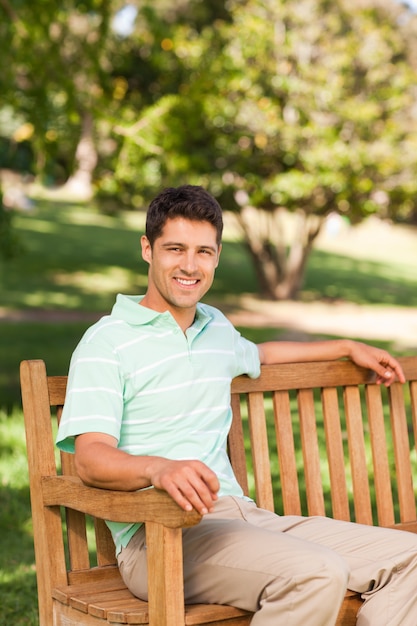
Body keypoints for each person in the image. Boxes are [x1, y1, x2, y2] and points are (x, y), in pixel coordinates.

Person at [56, 184, 417, 626]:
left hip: (245, 518)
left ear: (217, 256)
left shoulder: (215, 328)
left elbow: (263, 354)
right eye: (175, 249)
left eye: (203, 252)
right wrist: (158, 469)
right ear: (147, 249)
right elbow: (90, 459)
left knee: (413, 558)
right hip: (161, 535)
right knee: (317, 573)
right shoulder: (107, 342)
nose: (190, 265)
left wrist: (345, 346)